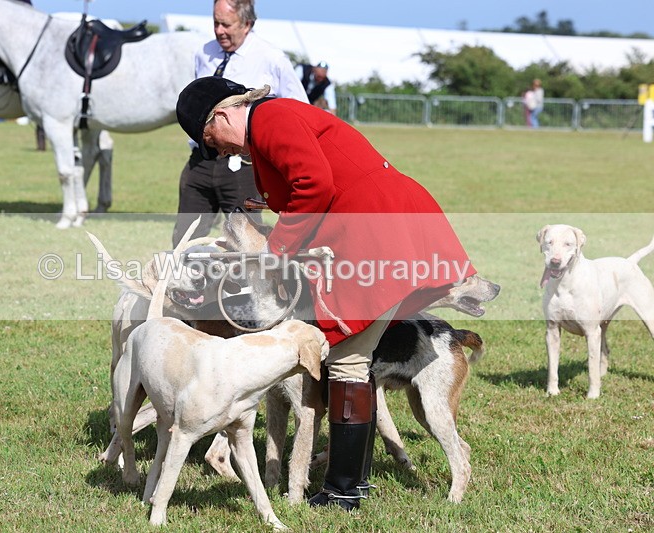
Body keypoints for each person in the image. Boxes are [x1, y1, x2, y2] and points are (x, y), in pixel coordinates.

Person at [175, 76, 477, 510]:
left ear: (221, 115)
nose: (220, 154)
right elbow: (317, 182)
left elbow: (313, 184)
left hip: (374, 231)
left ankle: (344, 491)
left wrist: (277, 251)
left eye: (212, 142)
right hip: (373, 227)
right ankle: (355, 480)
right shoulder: (270, 126)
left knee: (350, 359)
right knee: (353, 358)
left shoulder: (272, 117)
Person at [171, 0, 308, 247]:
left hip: (244, 167)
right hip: (201, 160)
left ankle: (243, 286)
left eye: (226, 24)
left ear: (247, 24)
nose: (219, 30)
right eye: (215, 22)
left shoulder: (272, 58)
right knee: (185, 240)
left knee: (244, 244)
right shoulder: (204, 52)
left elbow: (299, 109)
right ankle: (187, 284)